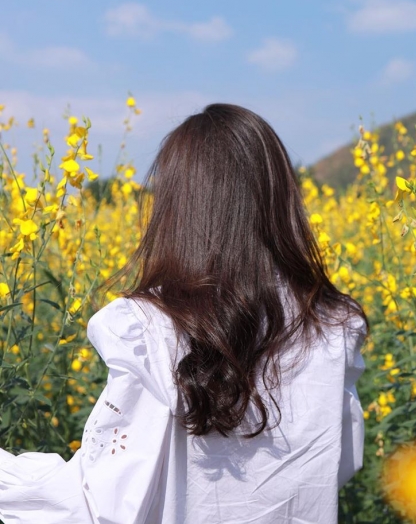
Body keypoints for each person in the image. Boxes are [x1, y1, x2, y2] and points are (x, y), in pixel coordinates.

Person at [0, 104, 368, 523]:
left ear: (176, 206)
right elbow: (340, 461)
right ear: (281, 198)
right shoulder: (333, 325)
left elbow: (99, 507)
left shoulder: (147, 329)